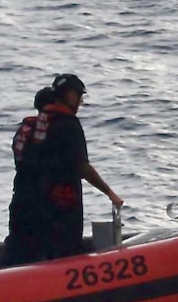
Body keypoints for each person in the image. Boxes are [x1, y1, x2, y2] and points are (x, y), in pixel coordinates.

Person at [25, 73, 123, 261]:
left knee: (46, 246)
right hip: (63, 198)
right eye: (79, 97)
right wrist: (110, 193)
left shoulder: (41, 121)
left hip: (39, 196)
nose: (79, 103)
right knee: (66, 246)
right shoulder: (68, 124)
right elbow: (82, 166)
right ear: (71, 96)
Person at [0, 86, 57, 266]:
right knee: (36, 243)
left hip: (21, 193)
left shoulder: (23, 129)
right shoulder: (45, 131)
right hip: (38, 196)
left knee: (18, 241)